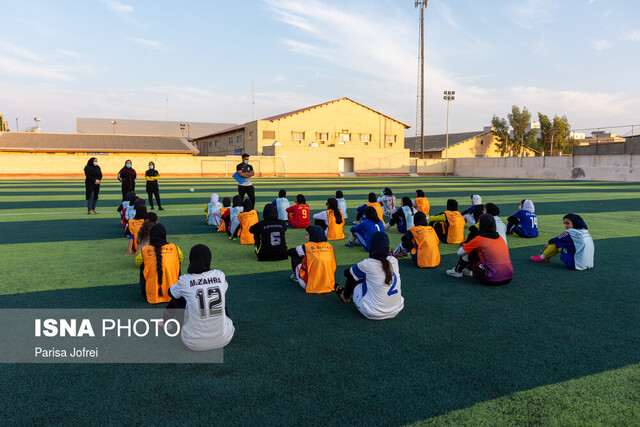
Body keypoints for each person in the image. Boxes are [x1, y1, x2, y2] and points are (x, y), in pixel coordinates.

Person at [164, 244, 234, 351]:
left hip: (193, 342)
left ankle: (168, 321)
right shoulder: (219, 275)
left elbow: (170, 293)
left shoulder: (185, 280)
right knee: (219, 294)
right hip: (224, 339)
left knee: (178, 296)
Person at [335, 232, 404, 320]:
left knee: (353, 276)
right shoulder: (394, 260)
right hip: (396, 309)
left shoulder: (368, 264)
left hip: (372, 312)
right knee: (368, 277)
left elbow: (347, 273)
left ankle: (344, 296)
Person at [446, 214, 513, 286]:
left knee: (471, 251)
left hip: (491, 279)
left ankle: (457, 271)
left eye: (479, 222)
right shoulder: (500, 238)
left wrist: (468, 246)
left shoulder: (480, 239)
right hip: (508, 278)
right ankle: (468, 270)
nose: (478, 224)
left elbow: (460, 252)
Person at [135, 223, 184, 304]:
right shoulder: (175, 248)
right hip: (173, 294)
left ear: (151, 235)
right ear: (164, 235)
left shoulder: (144, 250)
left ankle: (152, 289)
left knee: (143, 265)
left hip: (150, 296)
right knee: (177, 262)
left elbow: (137, 263)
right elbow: (180, 260)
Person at [530, 214, 594, 270]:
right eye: (564, 223)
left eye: (567, 223)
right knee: (563, 243)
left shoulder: (570, 232)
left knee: (558, 243)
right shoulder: (586, 231)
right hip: (589, 265)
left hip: (574, 265)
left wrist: (549, 243)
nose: (565, 226)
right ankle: (547, 257)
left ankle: (542, 258)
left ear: (574, 222)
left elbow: (555, 239)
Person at [287, 225, 337, 293]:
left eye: (307, 235)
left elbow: (290, 252)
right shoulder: (329, 246)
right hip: (329, 284)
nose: (305, 237)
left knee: (295, 255)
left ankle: (296, 276)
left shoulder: (306, 247)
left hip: (310, 285)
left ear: (313, 235)